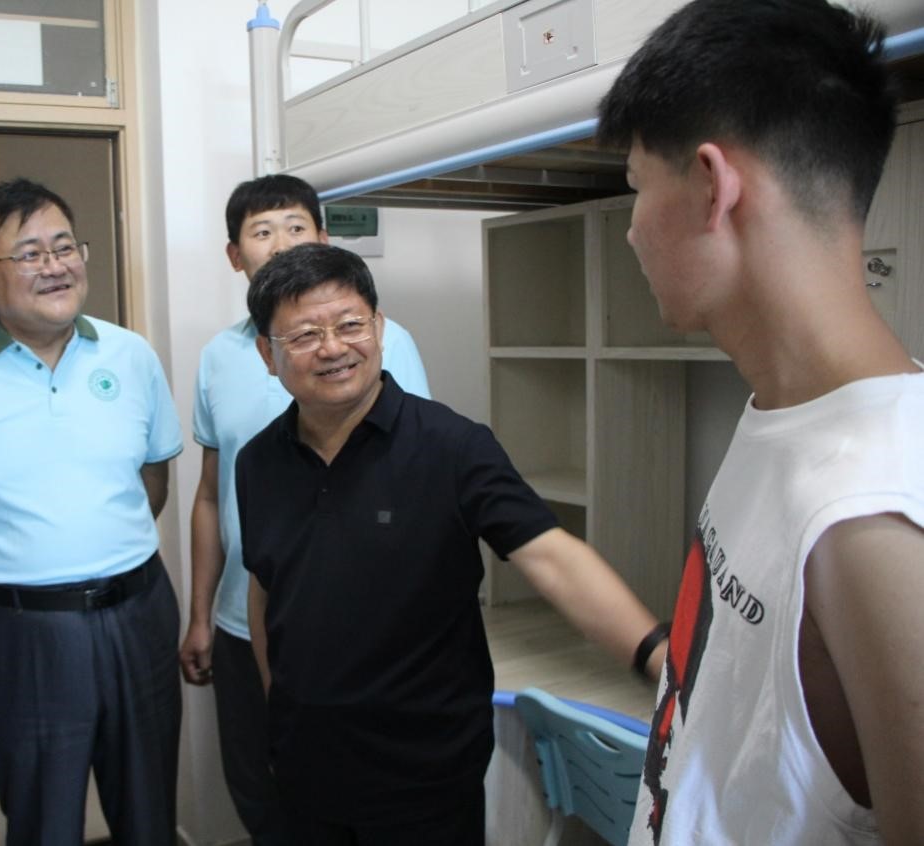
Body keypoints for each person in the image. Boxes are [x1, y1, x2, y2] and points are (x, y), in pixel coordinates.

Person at [596, 1, 924, 843]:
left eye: (636, 187)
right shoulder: (783, 415)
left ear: (712, 185)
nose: (630, 231)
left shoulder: (877, 518)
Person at [236, 242, 666, 846]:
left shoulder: (453, 446)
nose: (333, 348)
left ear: (379, 328)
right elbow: (266, 589)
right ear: (268, 354)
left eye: (351, 324)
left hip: (425, 777)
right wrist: (278, 707)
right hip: (307, 768)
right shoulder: (257, 462)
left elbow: (551, 556)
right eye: (305, 335)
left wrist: (657, 656)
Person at [0, 178, 184, 845]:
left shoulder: (131, 355)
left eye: (64, 247)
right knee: (42, 821)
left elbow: (152, 481)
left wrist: (100, 550)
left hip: (139, 612)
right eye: (29, 254)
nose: (55, 266)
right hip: (20, 633)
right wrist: (9, 586)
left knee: (149, 815)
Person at [178, 173, 430, 844]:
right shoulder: (219, 357)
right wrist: (200, 615)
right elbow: (210, 495)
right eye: (262, 231)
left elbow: (414, 479)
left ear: (322, 237)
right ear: (235, 254)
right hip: (242, 622)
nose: (281, 243)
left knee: (356, 798)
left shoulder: (380, 341)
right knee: (259, 789)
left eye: (296, 227)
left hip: (357, 625)